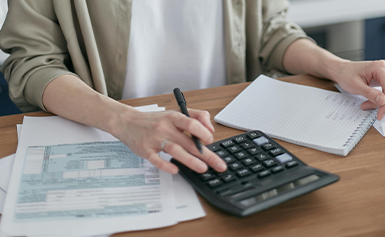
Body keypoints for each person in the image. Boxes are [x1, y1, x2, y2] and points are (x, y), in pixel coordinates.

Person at [1, 0, 385, 175]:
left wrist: (340, 66)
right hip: (113, 134)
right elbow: (32, 62)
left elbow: (271, 32)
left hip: (224, 129)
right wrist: (124, 119)